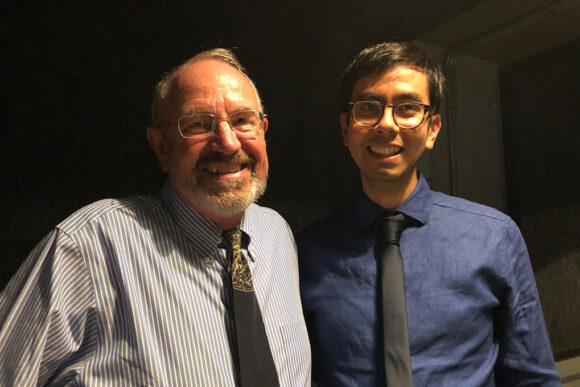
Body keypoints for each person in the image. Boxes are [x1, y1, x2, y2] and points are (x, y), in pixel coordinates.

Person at [0, 48, 311, 386]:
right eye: (197, 124)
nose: (226, 141)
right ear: (162, 147)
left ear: (262, 130)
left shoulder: (276, 234)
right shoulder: (88, 248)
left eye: (242, 120)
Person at [298, 42, 560, 386]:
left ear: (432, 128)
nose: (386, 125)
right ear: (346, 128)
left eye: (406, 108)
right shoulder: (305, 253)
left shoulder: (495, 237)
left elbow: (532, 378)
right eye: (368, 108)